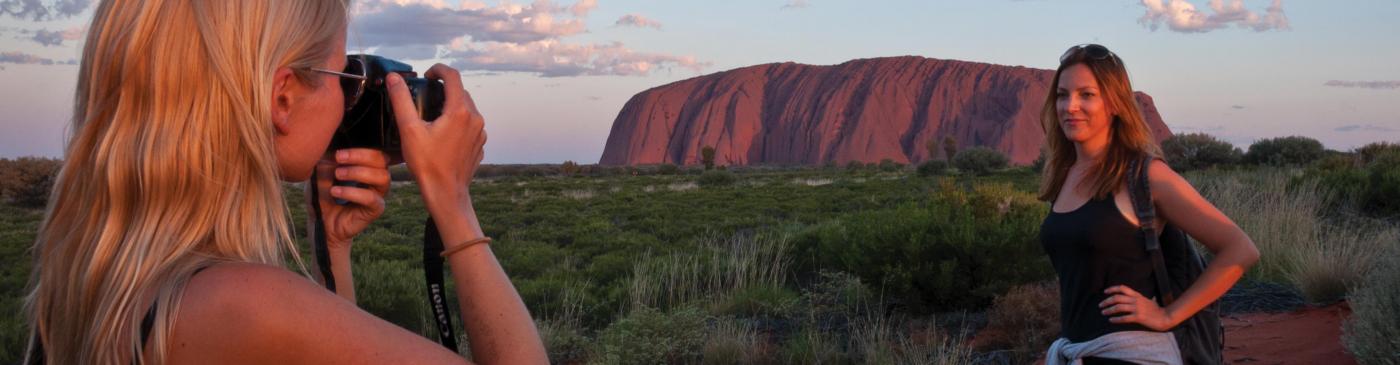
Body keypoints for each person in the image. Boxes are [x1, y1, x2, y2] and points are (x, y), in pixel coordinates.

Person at [22, 1, 548, 364]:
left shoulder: (87, 280)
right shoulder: (238, 303)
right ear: (282, 98)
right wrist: (454, 202)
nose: (350, 102)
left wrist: (332, 248)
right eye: (346, 76)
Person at [1037, 44, 1260, 364]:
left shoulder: (1146, 175)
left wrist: (1168, 316)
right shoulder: (1064, 176)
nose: (1070, 106)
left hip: (1135, 354)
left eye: (1087, 95)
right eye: (1062, 95)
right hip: (1075, 350)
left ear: (1114, 103)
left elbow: (1240, 249)